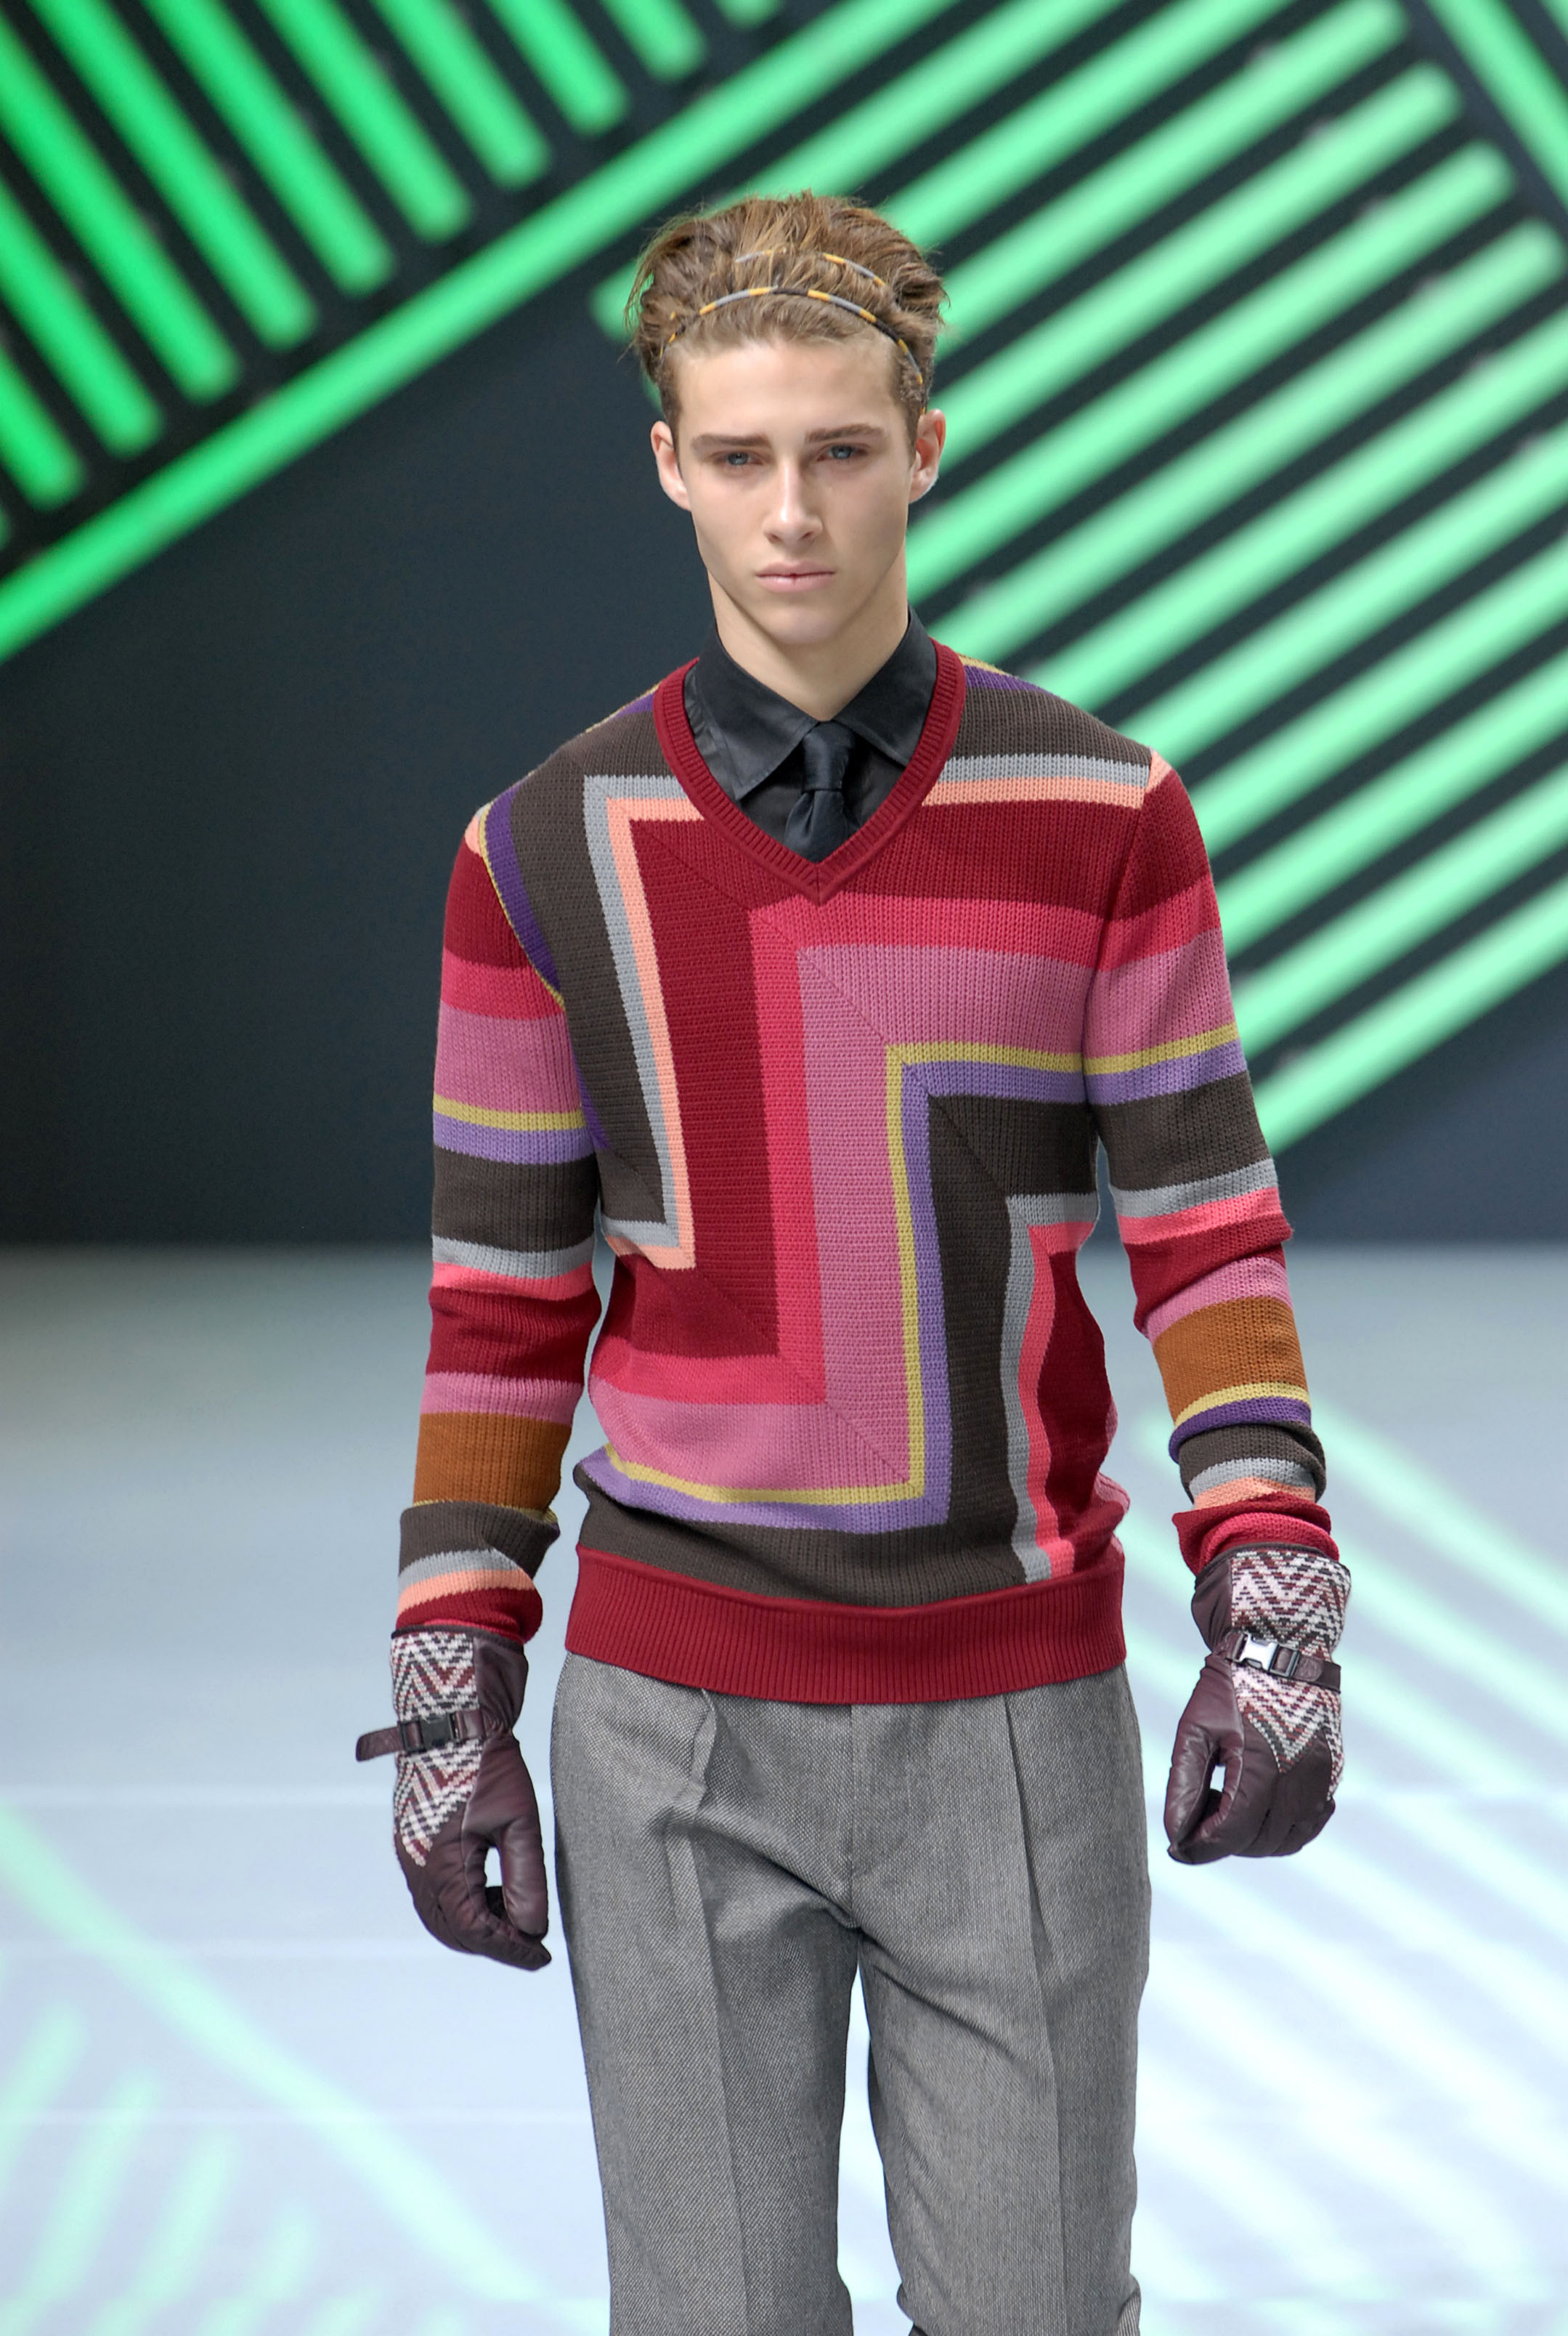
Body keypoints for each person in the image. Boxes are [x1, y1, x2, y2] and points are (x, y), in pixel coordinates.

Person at [356, 191, 1349, 2336]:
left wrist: (1277, 1608)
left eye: (838, 451)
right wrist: (453, 1696)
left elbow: (1204, 1234)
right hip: (670, 1734)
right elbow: (503, 1313)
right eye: (739, 457)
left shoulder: (1105, 814)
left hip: (1010, 1720)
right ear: (667, 464)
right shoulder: (537, 854)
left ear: (928, 449)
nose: (791, 513)